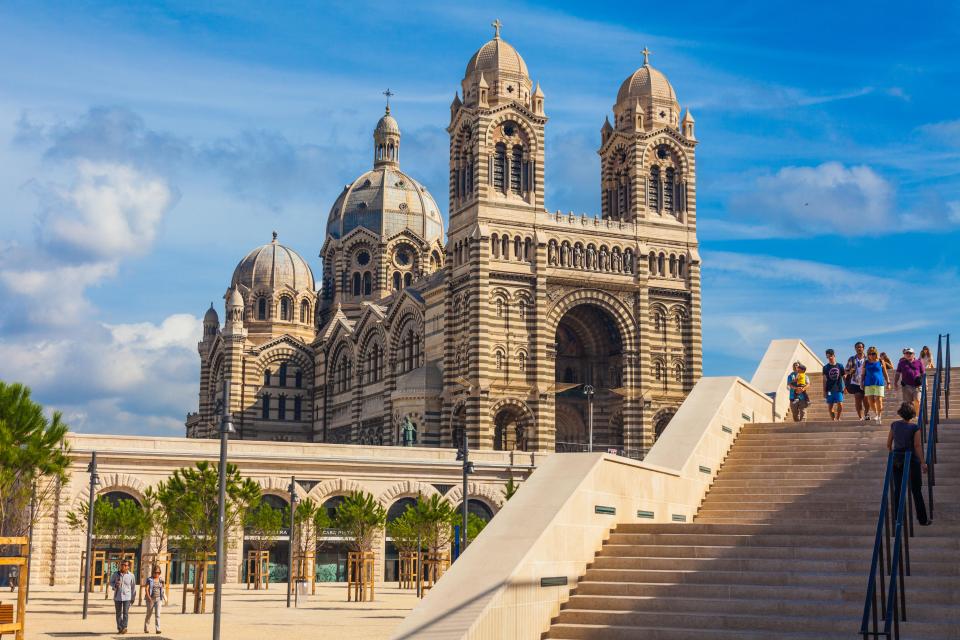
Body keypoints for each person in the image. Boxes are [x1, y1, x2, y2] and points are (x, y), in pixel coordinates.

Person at [886, 402, 930, 526]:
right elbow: (917, 445)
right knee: (916, 490)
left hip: (897, 459)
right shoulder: (914, 427)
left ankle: (897, 519)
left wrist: (893, 454)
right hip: (911, 460)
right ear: (912, 414)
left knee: (898, 490)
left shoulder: (894, 425)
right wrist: (923, 462)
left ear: (901, 413)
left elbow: (888, 444)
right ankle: (922, 520)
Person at [895, 347, 926, 417]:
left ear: (914, 354)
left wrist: (926, 385)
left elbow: (923, 374)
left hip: (917, 385)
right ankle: (911, 415)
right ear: (904, 354)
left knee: (917, 401)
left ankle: (918, 416)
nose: (908, 354)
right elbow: (897, 373)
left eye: (910, 353)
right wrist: (895, 382)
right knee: (908, 403)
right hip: (906, 385)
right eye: (906, 353)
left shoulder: (919, 362)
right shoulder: (901, 363)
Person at [863, 346, 888, 422]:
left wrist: (888, 382)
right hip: (868, 383)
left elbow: (885, 372)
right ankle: (876, 414)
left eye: (873, 353)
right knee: (870, 401)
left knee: (878, 399)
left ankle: (879, 415)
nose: (871, 355)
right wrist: (861, 382)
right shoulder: (866, 362)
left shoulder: (880, 361)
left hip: (879, 383)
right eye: (869, 354)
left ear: (876, 353)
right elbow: (863, 374)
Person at [111, 560, 137, 634]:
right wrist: (115, 585)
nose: (124, 566)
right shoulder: (116, 574)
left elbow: (133, 587)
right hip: (117, 597)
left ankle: (124, 627)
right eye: (123, 565)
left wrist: (133, 597)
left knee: (125, 613)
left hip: (127, 597)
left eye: (126, 565)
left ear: (128, 566)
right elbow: (111, 582)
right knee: (118, 613)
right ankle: (120, 628)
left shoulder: (131, 575)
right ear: (120, 566)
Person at [845, 342, 869, 420]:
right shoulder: (852, 358)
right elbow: (846, 371)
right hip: (855, 382)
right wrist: (850, 371)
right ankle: (860, 417)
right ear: (855, 349)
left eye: (860, 347)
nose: (859, 349)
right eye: (857, 347)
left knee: (866, 399)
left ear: (863, 348)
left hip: (866, 382)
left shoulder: (868, 358)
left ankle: (866, 414)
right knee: (858, 399)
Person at [823, 349, 846, 420]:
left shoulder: (840, 366)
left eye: (830, 356)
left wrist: (846, 387)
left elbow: (844, 377)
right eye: (827, 357)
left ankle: (838, 418)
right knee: (830, 407)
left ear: (834, 355)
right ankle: (833, 419)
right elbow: (824, 380)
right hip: (829, 389)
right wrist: (824, 391)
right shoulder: (825, 367)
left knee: (840, 404)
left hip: (838, 388)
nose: (829, 358)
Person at [144, 566, 165, 634]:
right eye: (155, 572)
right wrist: (149, 597)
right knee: (149, 614)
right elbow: (146, 589)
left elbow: (162, 588)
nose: (157, 574)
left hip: (159, 599)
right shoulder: (149, 579)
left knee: (158, 614)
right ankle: (146, 627)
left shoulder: (161, 579)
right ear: (153, 572)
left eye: (158, 572)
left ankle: (157, 629)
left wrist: (164, 596)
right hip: (151, 599)